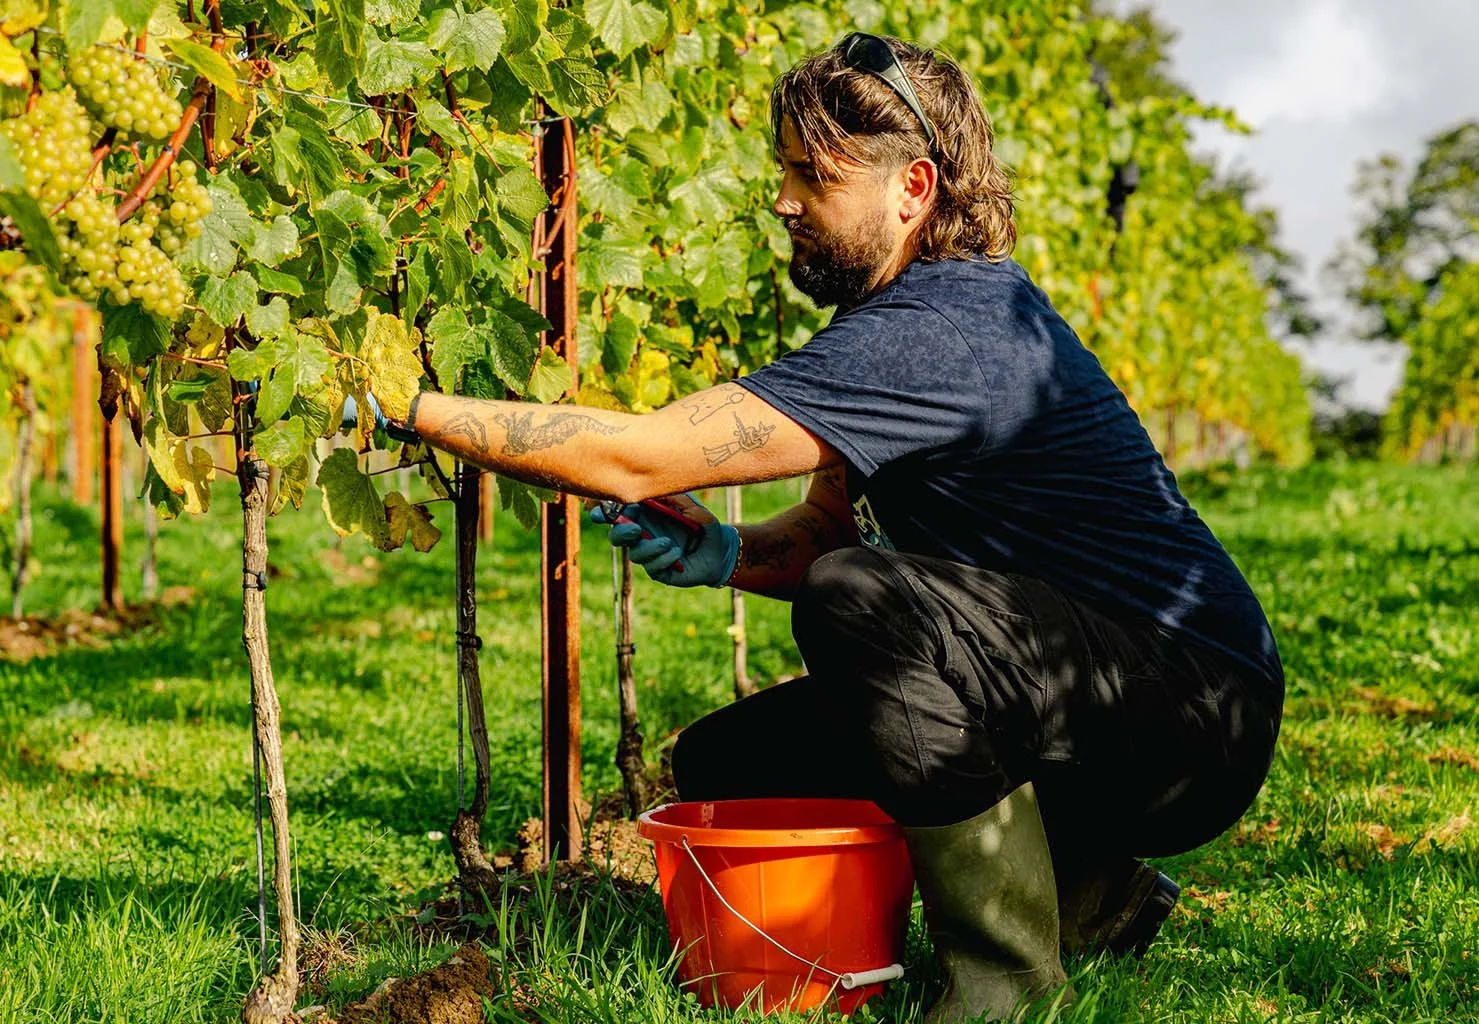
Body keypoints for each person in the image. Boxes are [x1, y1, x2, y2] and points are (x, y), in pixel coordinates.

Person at [378, 32, 1284, 1024]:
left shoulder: (941, 328)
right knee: (733, 768)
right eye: (786, 172)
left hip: (1189, 713)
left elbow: (637, 456)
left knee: (856, 602)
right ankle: (1096, 898)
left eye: (814, 176)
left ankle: (1006, 984)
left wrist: (408, 407)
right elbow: (828, 533)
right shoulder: (906, 320)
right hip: (1106, 692)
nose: (783, 202)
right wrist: (725, 553)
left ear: (914, 188)